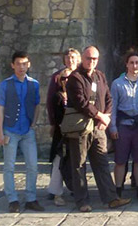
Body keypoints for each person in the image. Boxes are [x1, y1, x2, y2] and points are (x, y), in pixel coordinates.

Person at [66, 46, 131, 212]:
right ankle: (82, 201)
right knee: (79, 164)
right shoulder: (75, 78)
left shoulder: (100, 76)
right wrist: (100, 115)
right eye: (88, 58)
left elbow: (108, 98)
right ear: (82, 58)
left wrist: (106, 116)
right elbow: (81, 102)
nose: (91, 61)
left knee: (102, 163)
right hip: (80, 128)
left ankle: (111, 198)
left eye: (94, 59)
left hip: (98, 128)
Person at [0, 51, 44, 213]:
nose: (21, 67)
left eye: (24, 64)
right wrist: (0, 133)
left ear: (28, 65)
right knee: (9, 166)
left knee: (32, 165)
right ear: (13, 65)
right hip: (10, 130)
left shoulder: (34, 84)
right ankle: (13, 199)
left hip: (27, 130)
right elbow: (0, 109)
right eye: (18, 64)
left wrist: (34, 123)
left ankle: (31, 198)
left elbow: (37, 104)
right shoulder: (5, 85)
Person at [110, 50, 138, 200]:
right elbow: (113, 106)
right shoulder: (117, 83)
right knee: (120, 159)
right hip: (123, 125)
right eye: (131, 62)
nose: (134, 65)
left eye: (137, 62)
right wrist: (113, 127)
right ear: (126, 64)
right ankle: (118, 188)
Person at [46, 48, 80, 206]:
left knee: (78, 160)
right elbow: (51, 104)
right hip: (62, 130)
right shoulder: (57, 87)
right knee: (59, 160)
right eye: (68, 57)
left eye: (73, 57)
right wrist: (53, 123)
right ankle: (56, 191)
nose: (70, 60)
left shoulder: (82, 75)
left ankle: (76, 188)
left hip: (78, 128)